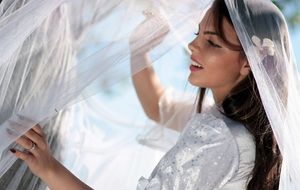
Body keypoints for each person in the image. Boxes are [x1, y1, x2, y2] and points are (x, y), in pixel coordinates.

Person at [10, 0, 294, 189]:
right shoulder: (244, 133)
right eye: (197, 34)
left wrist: (49, 169)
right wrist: (139, 48)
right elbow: (159, 107)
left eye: (212, 42)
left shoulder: (218, 134)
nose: (193, 46)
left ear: (248, 63)